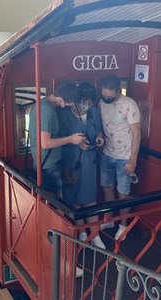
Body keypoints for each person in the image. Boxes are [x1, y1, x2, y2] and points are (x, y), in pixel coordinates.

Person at [58, 82, 106, 249]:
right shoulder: (64, 114)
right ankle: (81, 232)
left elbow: (99, 130)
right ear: (78, 99)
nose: (89, 104)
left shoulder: (93, 112)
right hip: (71, 162)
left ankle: (95, 234)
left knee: (90, 199)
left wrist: (99, 138)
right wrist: (77, 144)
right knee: (74, 200)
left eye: (91, 101)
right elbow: (60, 139)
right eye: (86, 100)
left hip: (90, 161)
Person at [98, 75, 141, 241]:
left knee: (123, 193)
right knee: (107, 187)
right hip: (107, 153)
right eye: (104, 95)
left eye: (110, 95)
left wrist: (133, 160)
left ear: (118, 91)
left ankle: (123, 226)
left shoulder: (129, 104)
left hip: (125, 156)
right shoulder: (101, 103)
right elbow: (102, 126)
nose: (106, 98)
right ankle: (109, 220)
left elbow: (137, 134)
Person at [29, 82, 86, 197]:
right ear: (61, 100)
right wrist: (71, 139)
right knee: (55, 204)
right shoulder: (46, 110)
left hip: (47, 161)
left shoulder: (45, 105)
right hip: (48, 164)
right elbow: (45, 143)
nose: (71, 107)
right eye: (70, 104)